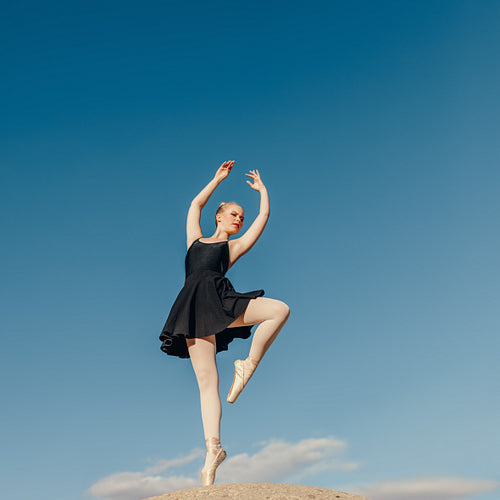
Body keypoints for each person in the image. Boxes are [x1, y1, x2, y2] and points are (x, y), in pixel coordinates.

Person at [159, 161, 290, 486]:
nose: (239, 219)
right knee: (207, 384)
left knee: (279, 310)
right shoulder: (195, 242)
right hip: (193, 309)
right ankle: (213, 450)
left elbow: (262, 219)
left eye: (241, 217)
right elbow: (195, 205)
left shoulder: (233, 248)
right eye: (234, 214)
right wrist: (217, 179)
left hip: (222, 301)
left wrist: (264, 194)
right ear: (219, 217)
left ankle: (248, 365)